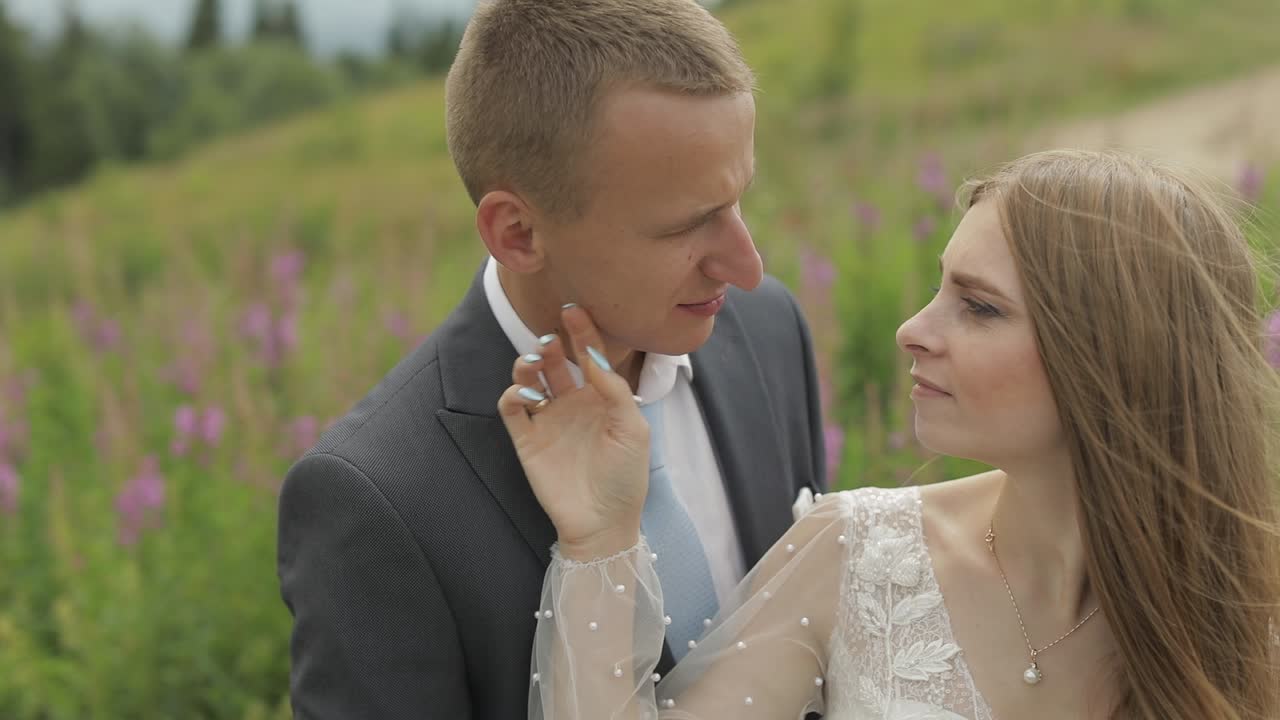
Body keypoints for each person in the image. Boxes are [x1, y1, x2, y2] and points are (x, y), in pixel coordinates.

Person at [501, 149, 1280, 719]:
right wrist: (601, 540)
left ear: (1113, 354)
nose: (912, 330)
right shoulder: (858, 555)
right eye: (938, 289)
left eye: (979, 307)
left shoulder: (1254, 610)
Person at [275, 0, 827, 717]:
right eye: (687, 225)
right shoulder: (376, 500)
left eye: (738, 200)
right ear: (517, 233)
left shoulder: (768, 330)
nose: (747, 267)